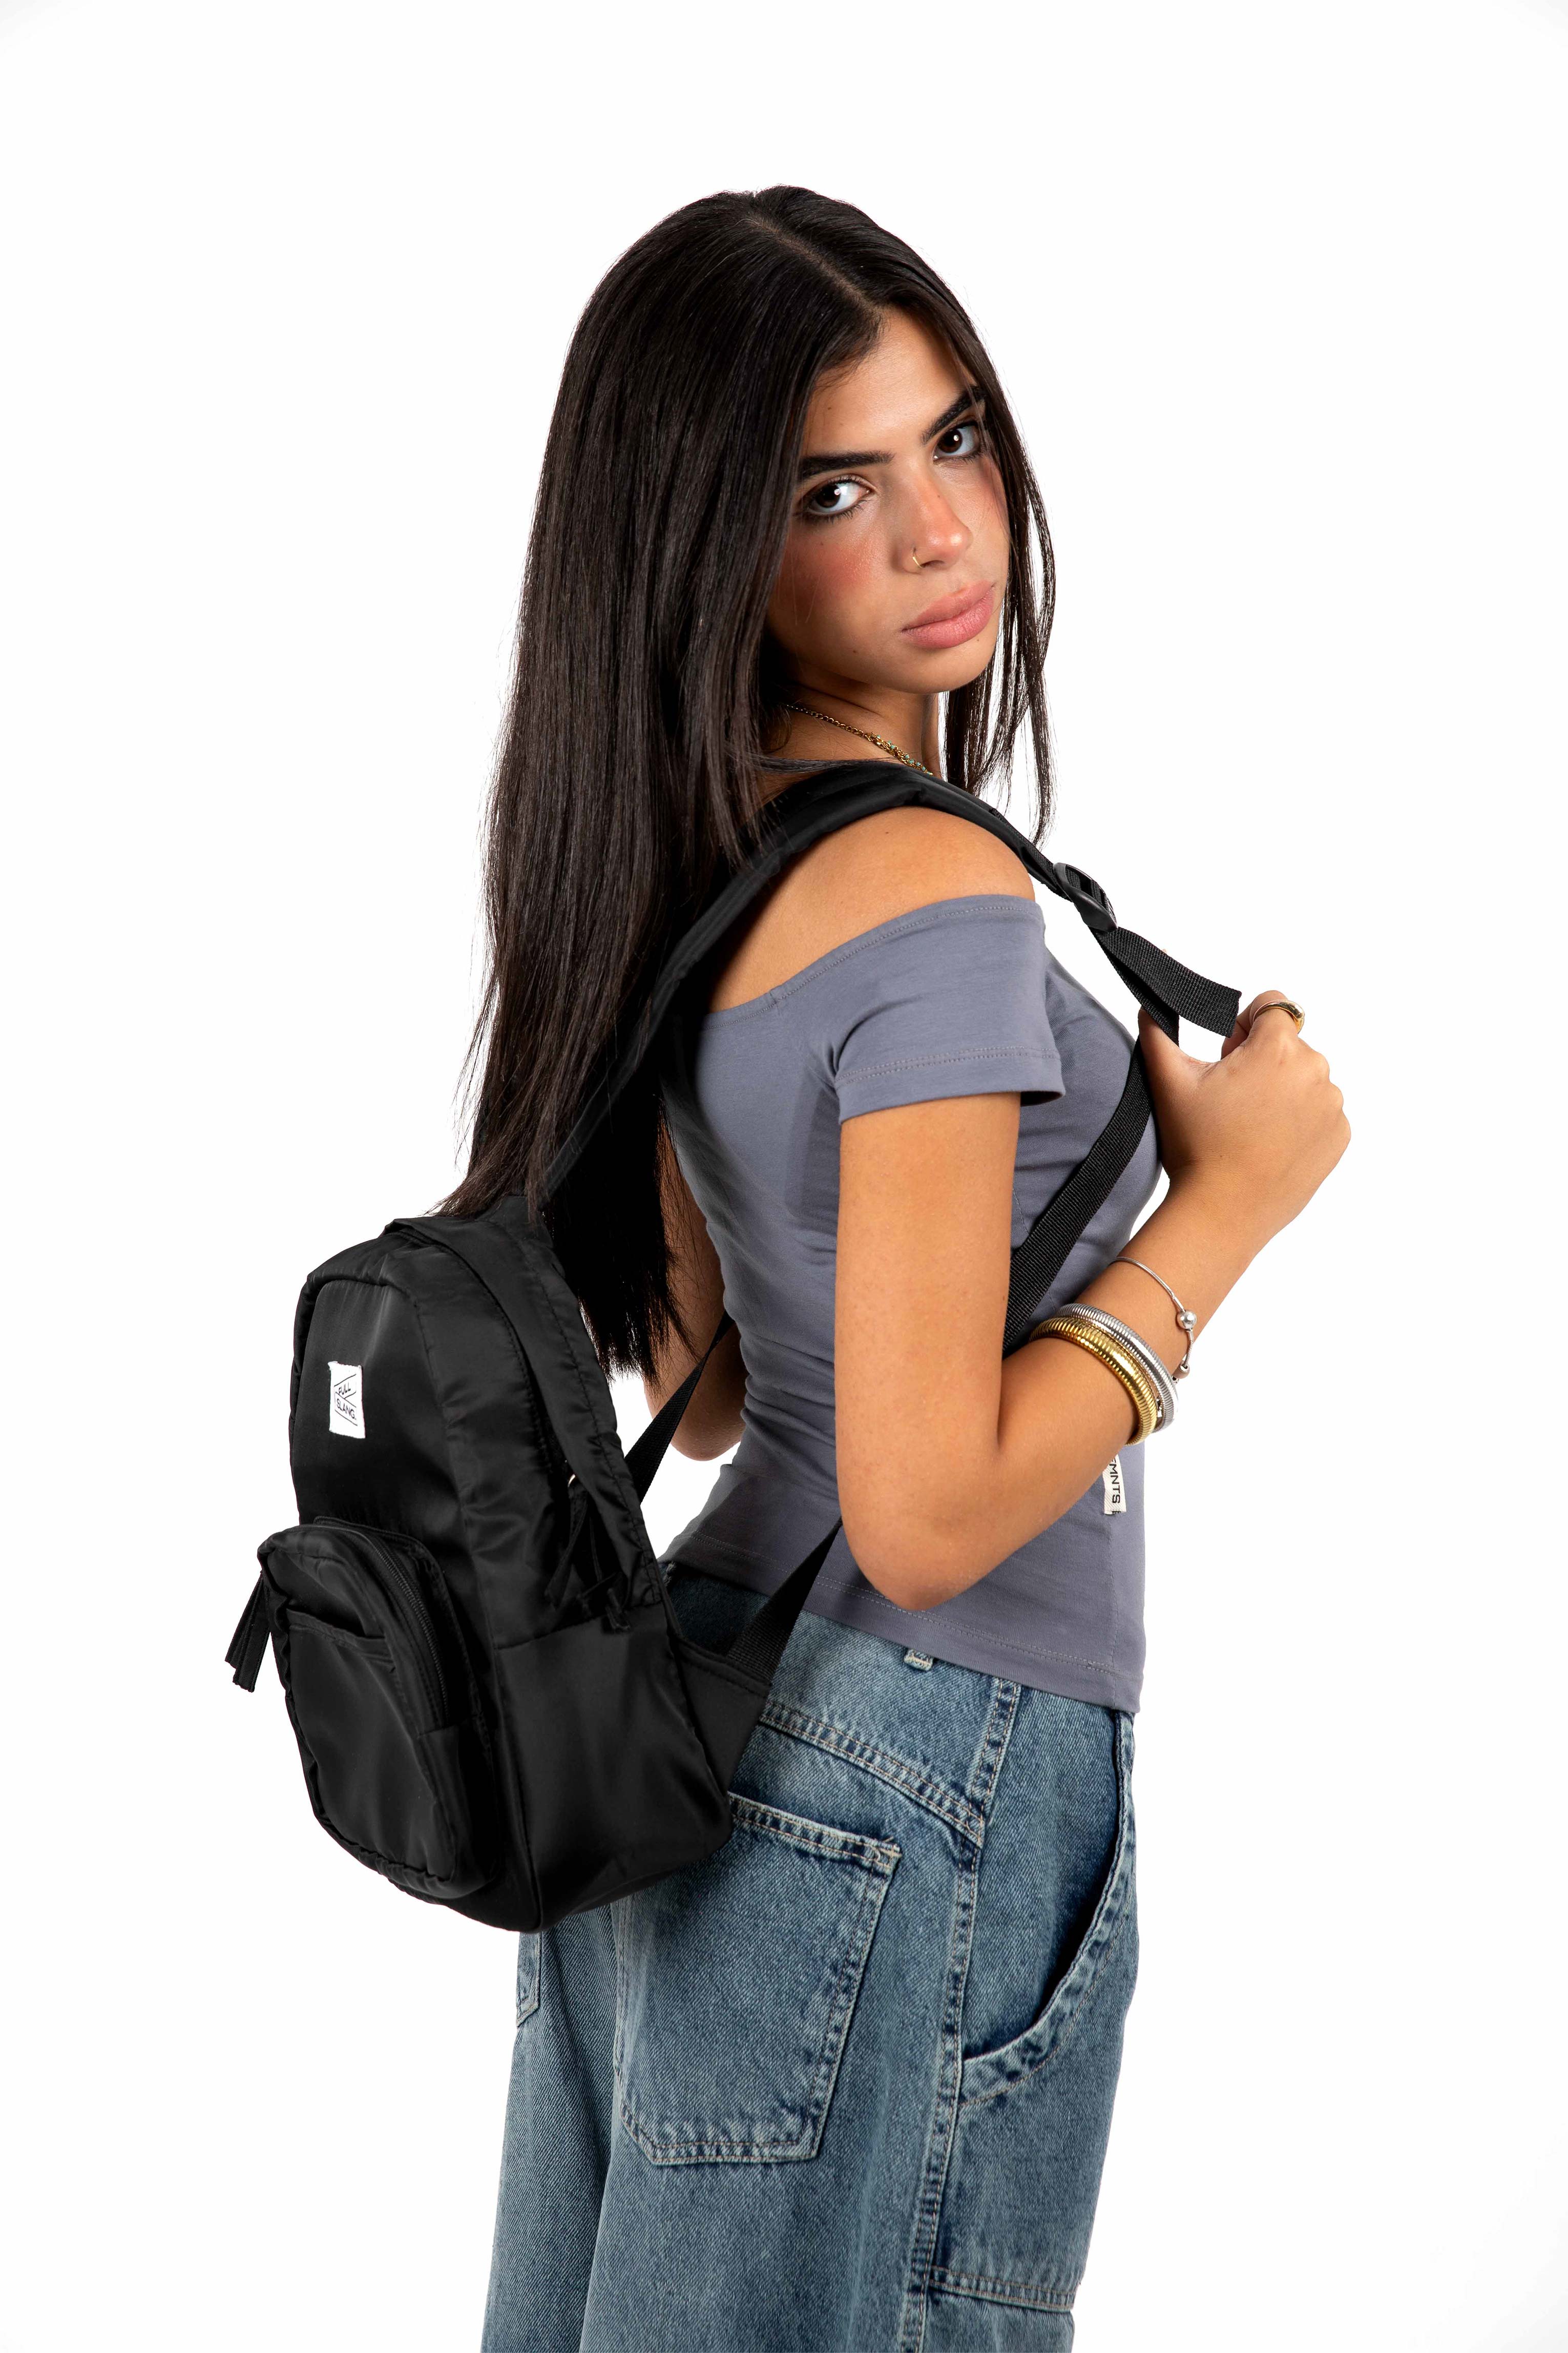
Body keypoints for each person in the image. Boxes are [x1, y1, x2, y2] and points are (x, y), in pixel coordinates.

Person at [458, 187, 1349, 2352]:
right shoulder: (938, 895)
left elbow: (724, 1379)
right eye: (833, 490)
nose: (943, 531)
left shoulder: (700, 846)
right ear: (710, 548)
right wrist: (1227, 1210)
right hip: (917, 1748)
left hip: (698, 1717)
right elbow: (932, 1512)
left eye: (954, 439)